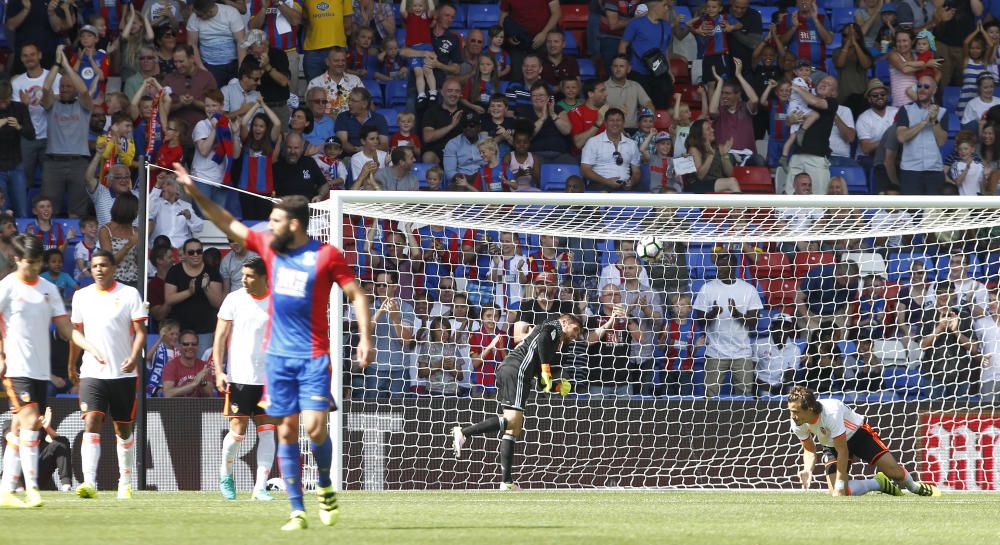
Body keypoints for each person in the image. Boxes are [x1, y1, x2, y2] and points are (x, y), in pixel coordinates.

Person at [174, 163, 372, 531]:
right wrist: (195, 192)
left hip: (313, 356)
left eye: (276, 220)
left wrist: (364, 336)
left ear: (294, 224)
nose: (269, 226)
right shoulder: (267, 246)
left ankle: (325, 485)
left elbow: (356, 294)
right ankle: (297, 510)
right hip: (277, 360)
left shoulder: (326, 255)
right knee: (285, 432)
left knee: (315, 429)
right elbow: (228, 223)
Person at [0, 234, 104, 508]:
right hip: (16, 368)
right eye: (29, 263)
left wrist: (88, 346)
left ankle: (6, 490)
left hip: (39, 371)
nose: (33, 268)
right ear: (17, 259)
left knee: (18, 428)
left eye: (37, 263)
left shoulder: (47, 289)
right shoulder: (7, 287)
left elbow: (65, 327)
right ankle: (31, 489)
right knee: (31, 422)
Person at [450, 314, 582, 490]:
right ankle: (464, 432)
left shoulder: (553, 345)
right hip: (517, 370)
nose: (576, 335)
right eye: (575, 330)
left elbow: (543, 383)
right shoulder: (553, 326)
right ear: (565, 322)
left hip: (517, 373)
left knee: (513, 427)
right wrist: (546, 370)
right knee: (512, 421)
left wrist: (558, 388)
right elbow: (542, 340)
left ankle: (506, 482)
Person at [67, 250, 147, 500]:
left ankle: (125, 480)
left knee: (123, 430)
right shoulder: (81, 296)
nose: (99, 269)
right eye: (94, 266)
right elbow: (75, 333)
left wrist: (134, 357)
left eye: (103, 265)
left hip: (123, 374)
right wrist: (72, 364)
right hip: (92, 373)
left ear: (114, 268)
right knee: (91, 421)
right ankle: (90, 482)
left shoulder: (129, 294)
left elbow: (141, 332)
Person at [788, 385, 940, 497]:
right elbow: (809, 449)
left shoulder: (831, 413)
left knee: (895, 473)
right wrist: (808, 470)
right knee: (838, 491)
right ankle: (878, 483)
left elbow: (843, 450)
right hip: (831, 445)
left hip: (858, 435)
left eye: (795, 411)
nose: (792, 415)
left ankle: (915, 487)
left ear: (809, 409)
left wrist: (841, 483)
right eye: (791, 411)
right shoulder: (797, 422)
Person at [213, 256, 278, 501]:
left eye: (250, 276)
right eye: (243, 275)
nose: (244, 280)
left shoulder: (276, 303)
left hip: (269, 380)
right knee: (237, 433)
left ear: (263, 277)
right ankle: (226, 475)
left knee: (267, 431)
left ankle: (260, 487)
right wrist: (219, 371)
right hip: (240, 377)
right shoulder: (234, 299)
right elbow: (220, 337)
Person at [692, 252, 761, 397]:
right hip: (715, 352)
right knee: (710, 395)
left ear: (734, 266)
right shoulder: (707, 288)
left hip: (742, 352)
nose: (721, 268)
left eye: (725, 264)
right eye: (719, 264)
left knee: (745, 395)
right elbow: (700, 321)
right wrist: (713, 313)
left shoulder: (748, 289)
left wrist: (736, 314)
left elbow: (754, 322)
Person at [41, 45, 94, 218]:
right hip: (53, 162)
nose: (64, 89)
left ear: (75, 89)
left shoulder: (84, 105)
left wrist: (68, 66)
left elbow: (84, 90)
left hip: (78, 162)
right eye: (62, 87)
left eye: (68, 87)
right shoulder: (52, 104)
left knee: (77, 211)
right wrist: (58, 64)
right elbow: (46, 88)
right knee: (49, 210)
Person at [895, 75, 948, 195]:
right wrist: (924, 122)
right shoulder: (905, 109)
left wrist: (934, 120)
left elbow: (941, 142)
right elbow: (901, 137)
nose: (921, 89)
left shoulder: (942, 112)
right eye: (919, 86)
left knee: (934, 211)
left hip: (934, 169)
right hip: (910, 169)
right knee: (912, 211)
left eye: (926, 86)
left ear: (934, 90)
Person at [580, 108, 641, 191]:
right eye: (611, 120)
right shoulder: (593, 142)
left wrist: (632, 182)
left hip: (625, 187)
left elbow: (636, 172)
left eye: (618, 120)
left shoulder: (632, 144)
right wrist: (606, 181)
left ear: (623, 123)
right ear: (605, 123)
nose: (615, 123)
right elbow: (585, 170)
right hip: (599, 185)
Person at [162, 329, 216, 398]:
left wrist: (202, 381)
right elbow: (167, 394)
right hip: (176, 407)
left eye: (194, 344)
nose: (190, 347)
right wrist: (194, 383)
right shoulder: (170, 366)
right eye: (186, 344)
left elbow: (209, 395)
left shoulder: (204, 366)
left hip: (198, 407)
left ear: (197, 347)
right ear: (179, 346)